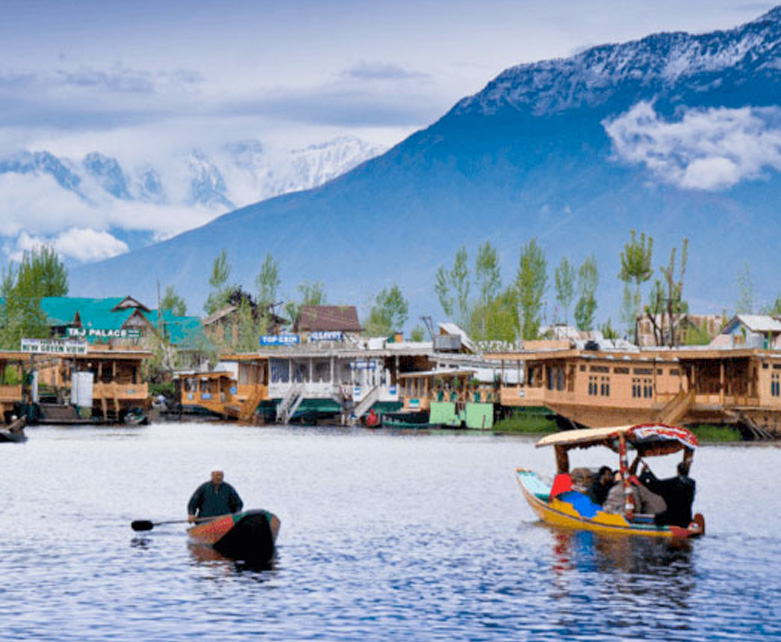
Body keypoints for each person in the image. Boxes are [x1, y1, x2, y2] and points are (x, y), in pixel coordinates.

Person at [639, 460, 695, 527]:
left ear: (677, 471)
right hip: (687, 519)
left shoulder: (672, 483)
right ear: (687, 471)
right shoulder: (692, 484)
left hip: (672, 519)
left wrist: (644, 474)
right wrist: (649, 473)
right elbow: (659, 483)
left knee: (657, 518)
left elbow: (656, 485)